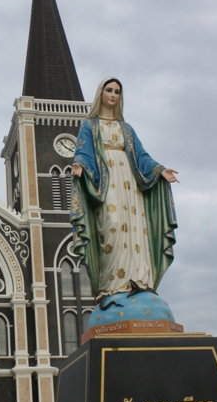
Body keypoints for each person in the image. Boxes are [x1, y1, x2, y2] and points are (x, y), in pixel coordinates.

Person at [70, 77, 178, 299]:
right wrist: (79, 165)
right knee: (113, 226)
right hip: (106, 181)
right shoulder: (90, 125)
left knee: (136, 230)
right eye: (109, 90)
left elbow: (141, 155)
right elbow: (83, 151)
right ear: (101, 93)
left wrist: (160, 170)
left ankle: (138, 280)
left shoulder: (126, 128)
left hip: (129, 184)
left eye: (117, 92)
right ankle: (110, 285)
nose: (113, 95)